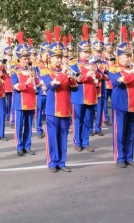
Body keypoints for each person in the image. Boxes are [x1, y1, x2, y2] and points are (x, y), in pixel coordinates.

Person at [42, 27, 77, 173]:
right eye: (56, 57)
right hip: (52, 109)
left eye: (60, 57)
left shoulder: (65, 71)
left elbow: (75, 88)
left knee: (63, 137)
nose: (59, 59)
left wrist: (71, 78)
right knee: (52, 138)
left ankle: (62, 161)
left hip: (65, 109)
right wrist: (63, 75)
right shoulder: (46, 72)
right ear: (50, 58)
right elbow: (52, 86)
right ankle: (52, 162)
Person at [108, 26, 134, 168]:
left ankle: (129, 156)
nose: (129, 58)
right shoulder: (114, 68)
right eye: (126, 56)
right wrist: (133, 73)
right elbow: (117, 82)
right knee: (120, 133)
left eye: (129, 56)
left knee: (131, 132)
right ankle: (120, 157)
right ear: (119, 57)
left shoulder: (133, 69)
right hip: (121, 104)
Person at [70, 24, 100, 153]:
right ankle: (77, 142)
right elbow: (74, 78)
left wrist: (96, 73)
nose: (87, 54)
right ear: (80, 52)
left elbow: (102, 76)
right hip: (79, 95)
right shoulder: (75, 64)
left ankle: (85, 141)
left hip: (91, 94)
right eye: (85, 52)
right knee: (78, 120)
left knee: (88, 120)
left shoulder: (93, 64)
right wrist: (86, 75)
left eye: (88, 52)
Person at [11, 31, 39, 157]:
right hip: (20, 103)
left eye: (28, 58)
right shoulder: (15, 72)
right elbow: (15, 86)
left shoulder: (32, 70)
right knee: (19, 126)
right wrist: (26, 83)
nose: (27, 60)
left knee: (28, 126)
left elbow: (37, 83)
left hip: (31, 102)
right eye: (25, 58)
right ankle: (19, 146)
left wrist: (38, 82)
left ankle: (27, 145)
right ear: (19, 59)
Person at [34, 33, 51, 139]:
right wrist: (39, 83)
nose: (48, 56)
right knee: (39, 111)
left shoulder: (51, 65)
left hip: (49, 91)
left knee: (49, 112)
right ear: (41, 54)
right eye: (46, 54)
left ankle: (48, 129)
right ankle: (39, 129)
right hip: (40, 92)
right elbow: (34, 77)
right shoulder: (36, 65)